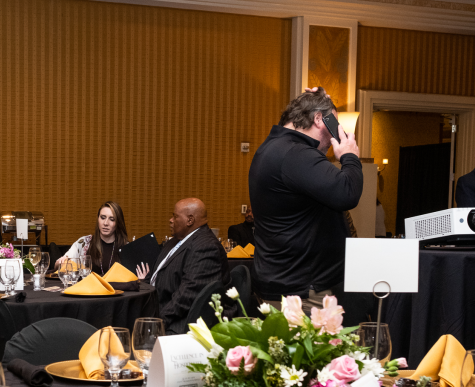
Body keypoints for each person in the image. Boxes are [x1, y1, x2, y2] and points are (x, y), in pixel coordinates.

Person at [249, 87, 363, 310]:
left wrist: (322, 100)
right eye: (333, 126)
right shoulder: (296, 153)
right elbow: (347, 192)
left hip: (288, 283)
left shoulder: (274, 148)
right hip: (303, 292)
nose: (333, 137)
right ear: (319, 119)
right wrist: (350, 156)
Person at [150, 198, 231, 334]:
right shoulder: (176, 241)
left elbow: (186, 296)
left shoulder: (206, 247)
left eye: (175, 216)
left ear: (190, 220)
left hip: (182, 323)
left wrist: (157, 323)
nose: (170, 220)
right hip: (160, 309)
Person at [55, 201, 149, 277]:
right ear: (98, 219)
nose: (105, 223)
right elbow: (59, 265)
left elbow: (133, 279)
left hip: (117, 296)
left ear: (118, 223)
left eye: (112, 219)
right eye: (103, 218)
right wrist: (61, 262)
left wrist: (141, 279)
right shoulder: (84, 242)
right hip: (89, 295)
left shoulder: (127, 248)